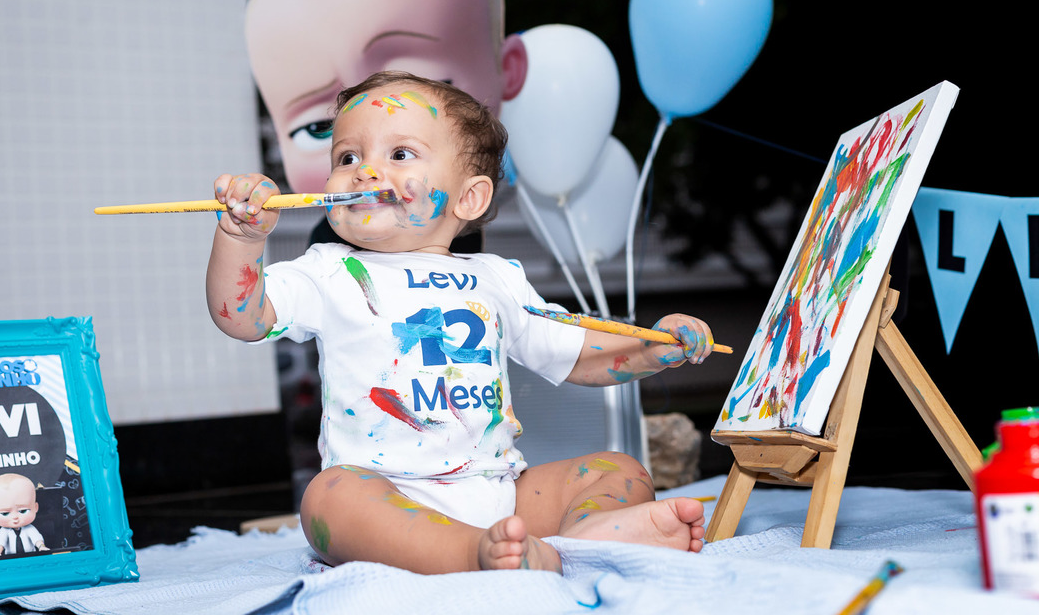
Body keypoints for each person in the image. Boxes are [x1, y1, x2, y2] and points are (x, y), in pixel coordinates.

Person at [206, 71, 714, 574]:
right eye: (347, 158)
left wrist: (651, 350)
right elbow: (243, 317)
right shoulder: (327, 270)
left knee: (617, 469)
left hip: (500, 494)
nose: (363, 172)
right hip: (387, 497)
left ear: (469, 198)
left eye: (399, 154)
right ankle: (473, 554)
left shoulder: (498, 278)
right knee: (327, 498)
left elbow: (577, 353)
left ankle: (585, 534)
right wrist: (243, 239)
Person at [246, 0, 527, 198]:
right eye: (320, 127)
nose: (366, 171)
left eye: (412, 93)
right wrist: (246, 224)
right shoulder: (324, 235)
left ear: (507, 70)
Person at [0, 473, 48, 556]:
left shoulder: (29, 528)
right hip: (10, 559)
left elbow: (37, 539)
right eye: (5, 513)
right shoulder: (4, 531)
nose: (15, 517)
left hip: (31, 556)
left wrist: (41, 547)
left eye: (23, 511)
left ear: (35, 507)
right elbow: (0, 542)